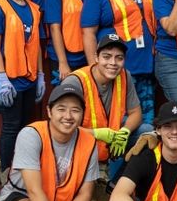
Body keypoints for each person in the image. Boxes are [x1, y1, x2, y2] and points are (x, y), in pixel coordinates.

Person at [82, 0, 157, 127]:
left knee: (146, 125)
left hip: (145, 67)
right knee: (120, 125)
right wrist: (94, 68)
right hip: (117, 72)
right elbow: (88, 33)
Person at [0, 0, 45, 172]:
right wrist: (1, 77)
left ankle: (22, 170)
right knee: (10, 127)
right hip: (9, 79)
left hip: (28, 79)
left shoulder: (33, 8)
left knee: (24, 126)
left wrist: (40, 75)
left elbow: (36, 44)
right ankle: (7, 172)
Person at [61, 33, 144, 186]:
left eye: (119, 58)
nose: (113, 63)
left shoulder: (125, 76)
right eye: (107, 56)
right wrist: (97, 134)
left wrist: (124, 131)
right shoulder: (76, 81)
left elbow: (136, 113)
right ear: (96, 57)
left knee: (146, 133)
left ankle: (116, 183)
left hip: (111, 143)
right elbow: (61, 128)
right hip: (77, 147)